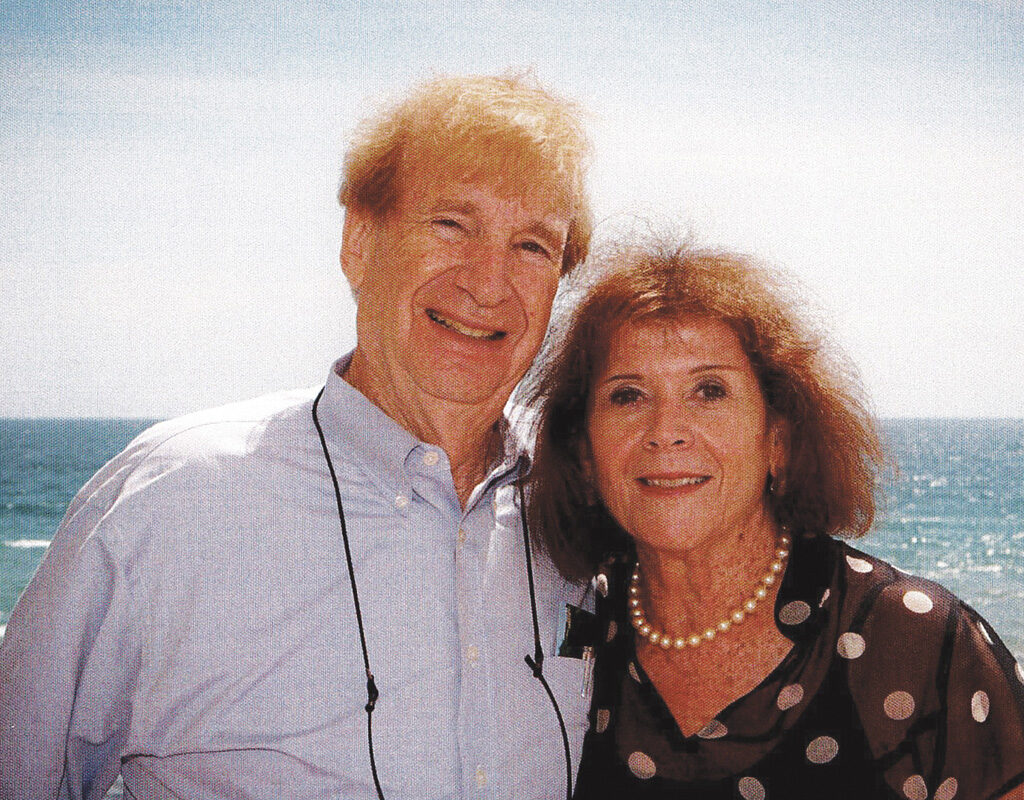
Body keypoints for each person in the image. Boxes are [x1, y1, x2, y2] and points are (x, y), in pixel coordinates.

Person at [0, 73, 595, 800]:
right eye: (451, 224)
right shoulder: (168, 505)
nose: (487, 282)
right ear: (360, 242)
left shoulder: (583, 508)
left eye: (533, 246)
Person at [527, 240, 1024, 798]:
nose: (666, 430)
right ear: (587, 457)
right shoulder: (579, 636)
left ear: (779, 441)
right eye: (628, 395)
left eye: (709, 391)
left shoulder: (915, 640)